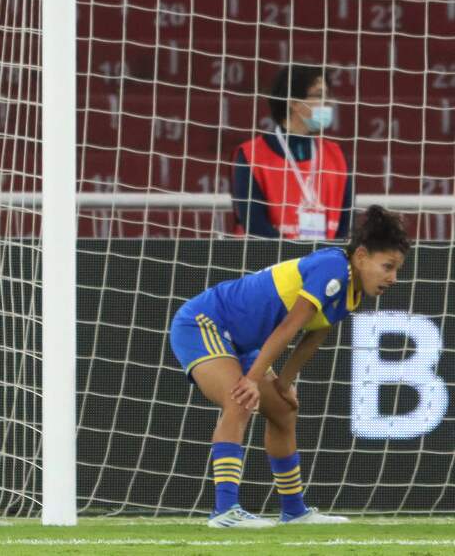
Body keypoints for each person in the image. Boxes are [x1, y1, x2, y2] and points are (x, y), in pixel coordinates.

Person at [169, 205, 409, 527]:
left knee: (283, 410)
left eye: (397, 270)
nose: (393, 278)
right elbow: (289, 328)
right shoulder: (331, 267)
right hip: (205, 323)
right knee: (239, 398)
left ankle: (294, 512)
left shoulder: (351, 295)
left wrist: (283, 383)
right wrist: (253, 380)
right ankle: (225, 512)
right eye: (388, 267)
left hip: (242, 343)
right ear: (362, 256)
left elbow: (312, 338)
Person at [232, 65, 352, 239]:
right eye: (319, 95)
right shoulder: (251, 156)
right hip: (272, 262)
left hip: (325, 263)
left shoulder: (337, 156)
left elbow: (344, 226)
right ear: (294, 102)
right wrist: (297, 262)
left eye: (327, 96)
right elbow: (255, 225)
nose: (327, 104)